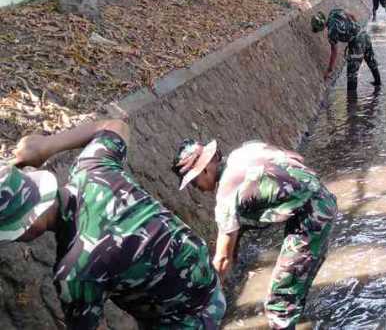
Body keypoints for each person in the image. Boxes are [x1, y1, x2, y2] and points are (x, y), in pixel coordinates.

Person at [4, 120, 225, 329]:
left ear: (28, 224)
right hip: (208, 276)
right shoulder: (92, 168)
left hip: (183, 319)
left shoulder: (74, 272)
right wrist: (46, 145)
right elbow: (114, 126)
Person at [172, 140, 338, 330]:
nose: (196, 187)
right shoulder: (243, 152)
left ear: (204, 170)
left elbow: (223, 260)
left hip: (312, 217)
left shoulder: (226, 197)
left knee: (279, 301)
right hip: (321, 200)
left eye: (193, 181)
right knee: (295, 285)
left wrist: (206, 301)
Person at [312, 9, 382, 92]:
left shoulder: (331, 33)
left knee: (352, 74)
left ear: (320, 28)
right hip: (364, 34)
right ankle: (378, 85)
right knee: (371, 61)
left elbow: (334, 52)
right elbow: (352, 15)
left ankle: (352, 102)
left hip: (356, 44)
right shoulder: (334, 12)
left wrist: (329, 70)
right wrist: (356, 30)